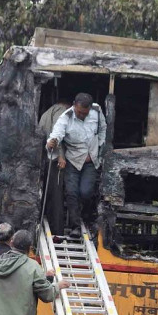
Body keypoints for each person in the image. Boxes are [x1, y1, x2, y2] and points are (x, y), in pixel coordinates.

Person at [47, 92, 107, 238]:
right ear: (74, 105)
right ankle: (75, 227)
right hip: (73, 160)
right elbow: (56, 135)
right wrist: (52, 142)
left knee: (85, 192)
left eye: (85, 113)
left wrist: (100, 146)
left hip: (91, 161)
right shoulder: (65, 118)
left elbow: (103, 130)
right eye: (79, 112)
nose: (82, 116)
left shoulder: (97, 111)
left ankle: (85, 216)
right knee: (71, 193)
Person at [38, 99, 71, 234]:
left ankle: (50, 225)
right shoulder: (61, 111)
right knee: (57, 196)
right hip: (55, 159)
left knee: (50, 194)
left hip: (45, 159)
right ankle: (58, 230)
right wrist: (61, 155)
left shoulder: (46, 113)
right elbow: (56, 136)